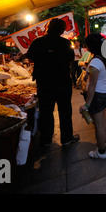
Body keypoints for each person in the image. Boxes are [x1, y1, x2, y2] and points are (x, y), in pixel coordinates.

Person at [26, 18, 79, 148]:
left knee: (46, 111)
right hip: (62, 82)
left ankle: (46, 140)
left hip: (44, 83)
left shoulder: (37, 42)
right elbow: (71, 60)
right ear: (62, 30)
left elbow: (30, 57)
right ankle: (66, 139)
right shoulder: (65, 43)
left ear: (47, 27)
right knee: (65, 111)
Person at [79, 33, 106, 159]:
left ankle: (101, 151)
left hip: (98, 95)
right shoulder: (105, 58)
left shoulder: (95, 62)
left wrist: (87, 104)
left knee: (98, 124)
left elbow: (92, 85)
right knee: (102, 120)